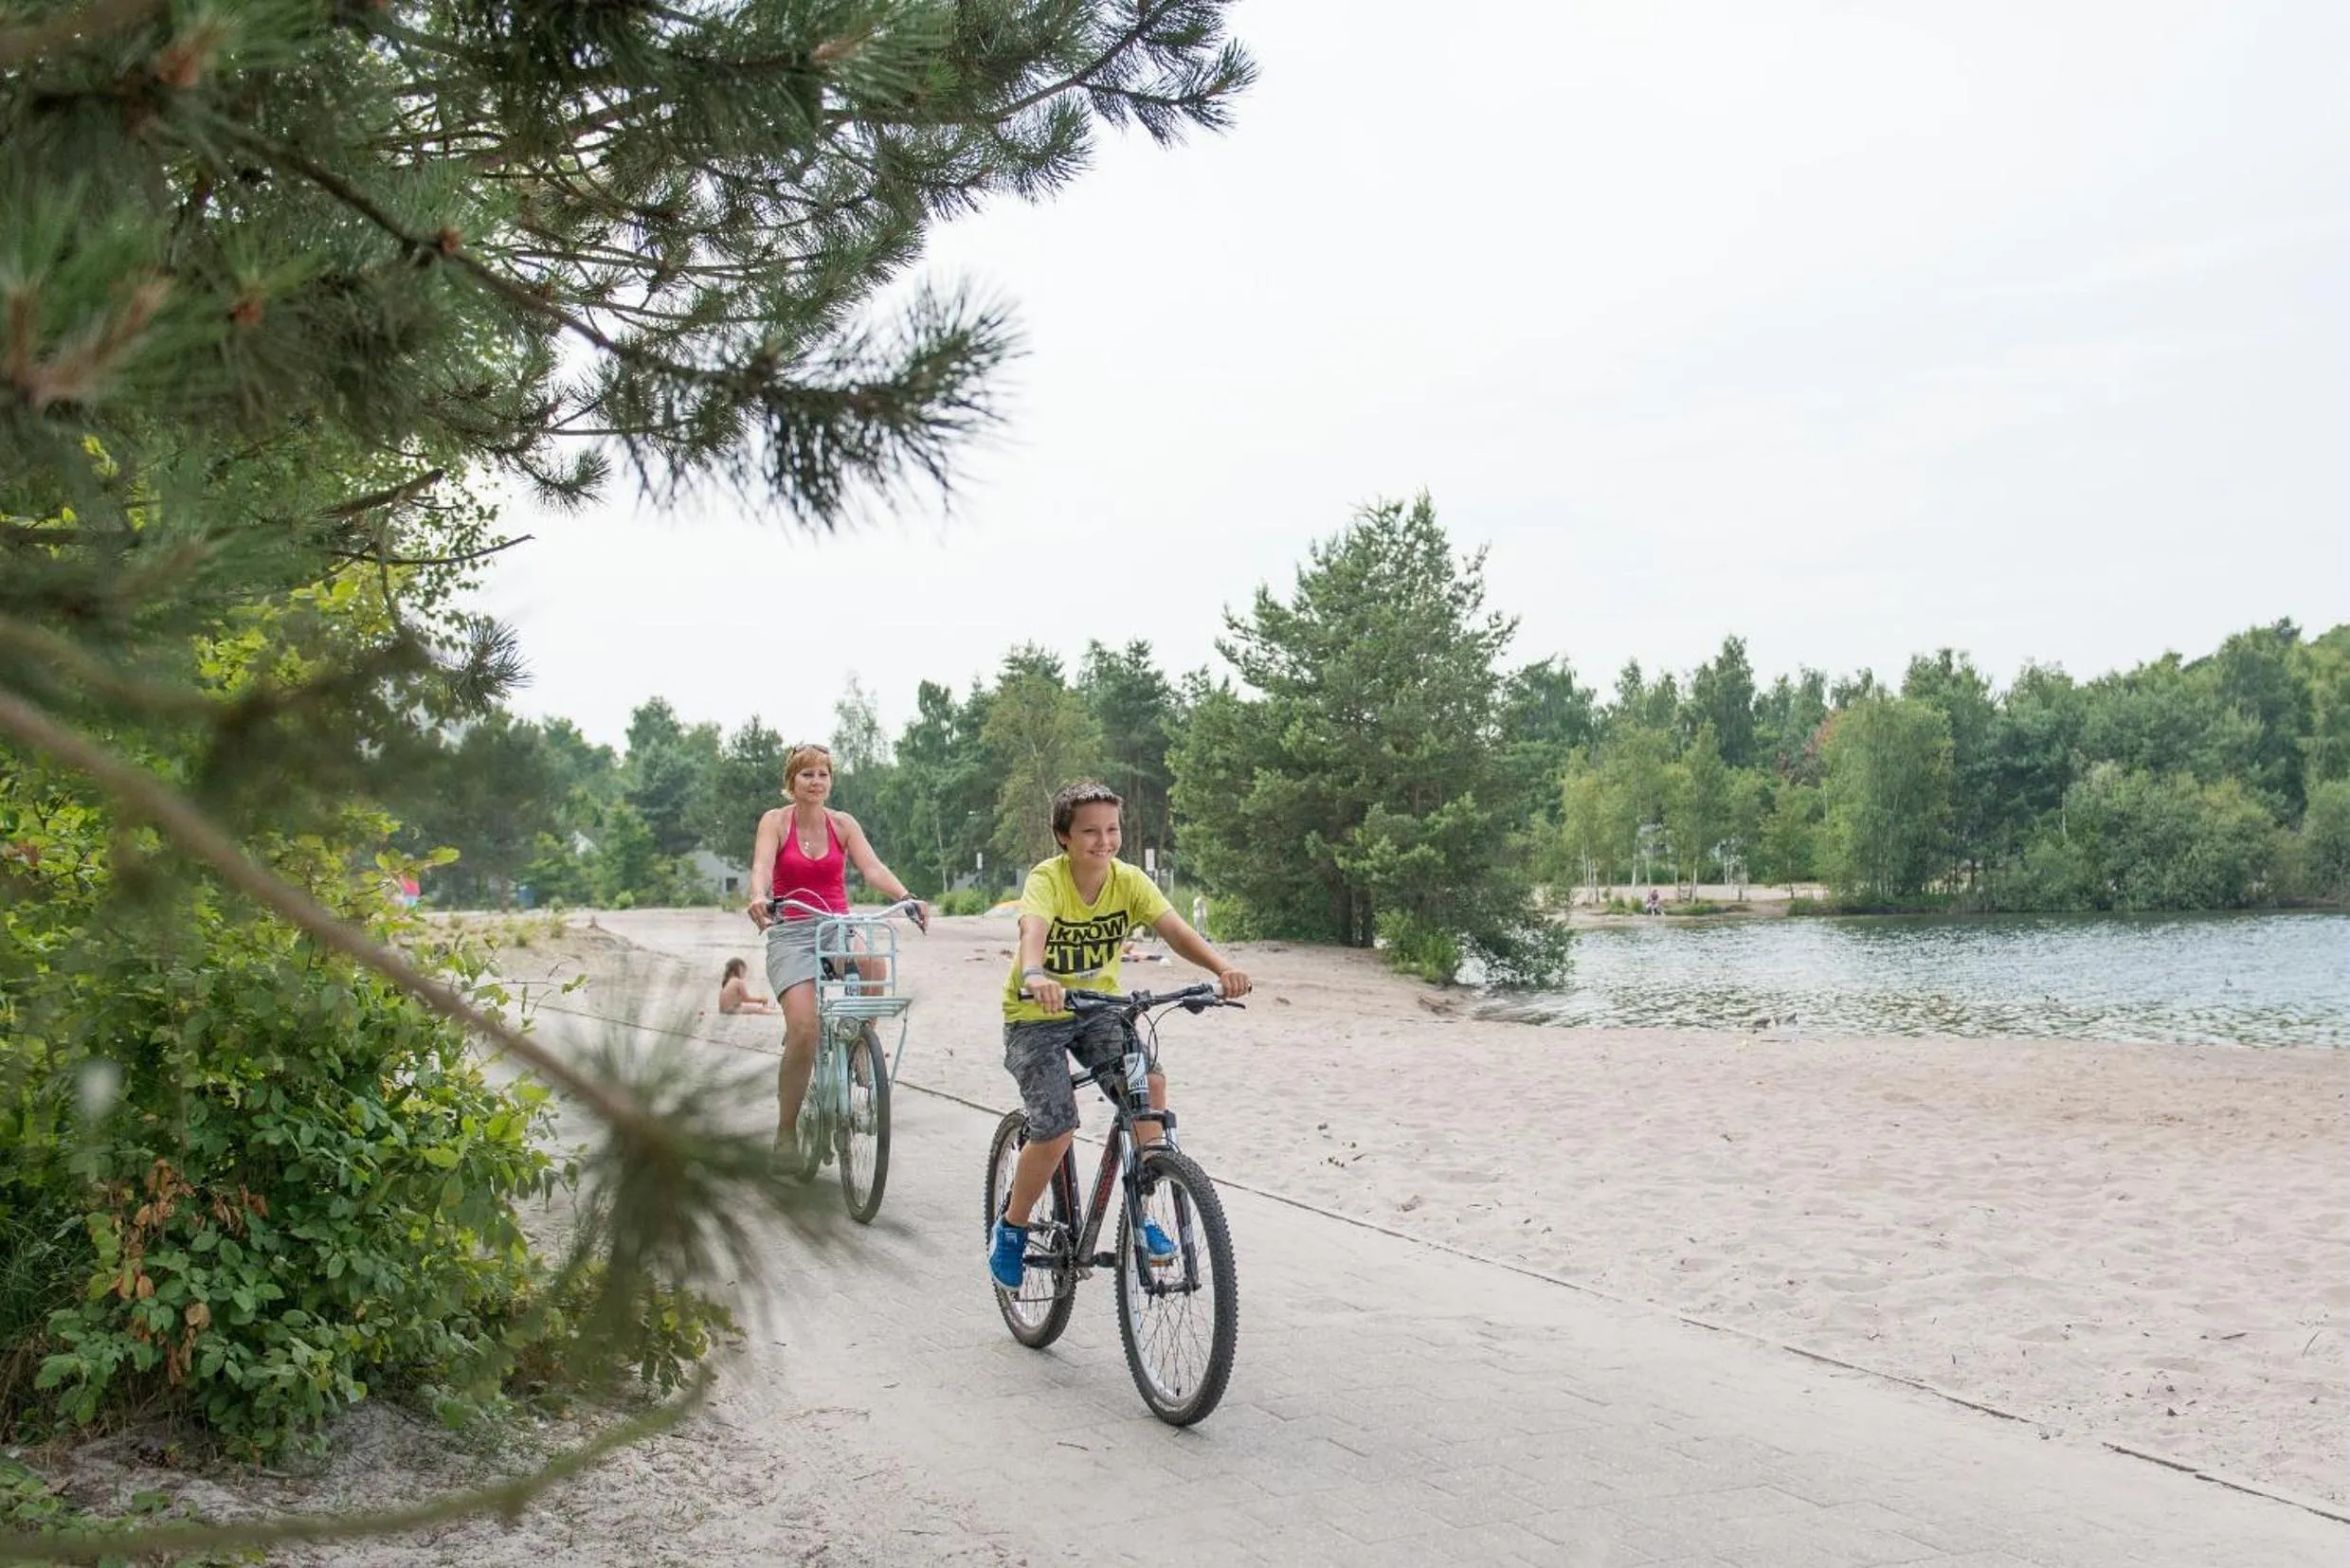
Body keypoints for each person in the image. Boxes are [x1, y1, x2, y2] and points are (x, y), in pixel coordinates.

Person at [987, 781, 1250, 1289]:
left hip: (1099, 1011)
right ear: (1064, 836)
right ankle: (1013, 1227)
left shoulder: (1129, 881)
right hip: (1035, 1014)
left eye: (1112, 830)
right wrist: (1035, 974)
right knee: (1057, 1125)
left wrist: (1222, 968)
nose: (1104, 841)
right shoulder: (1047, 879)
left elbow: (1175, 930)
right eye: (1090, 832)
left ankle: (1143, 1208)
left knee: (1149, 1086)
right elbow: (1032, 930)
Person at [746, 744, 925, 1159]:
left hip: (836, 927)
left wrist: (906, 897)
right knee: (804, 1030)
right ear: (791, 781)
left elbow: (872, 868)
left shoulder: (842, 824)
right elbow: (761, 867)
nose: (816, 781)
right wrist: (758, 896)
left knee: (874, 963)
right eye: (807, 774)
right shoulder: (775, 821)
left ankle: (860, 1046)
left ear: (830, 780)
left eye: (823, 774)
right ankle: (786, 1132)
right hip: (792, 931)